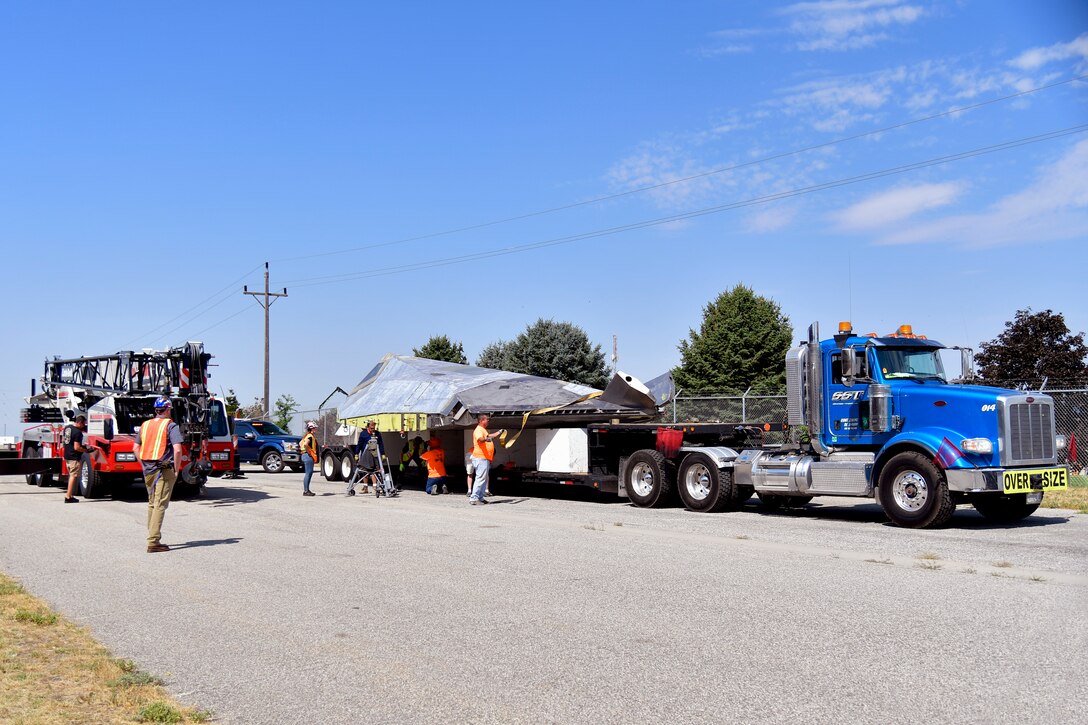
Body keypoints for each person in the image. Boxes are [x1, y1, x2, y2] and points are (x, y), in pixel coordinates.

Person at [133, 397, 184, 553]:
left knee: (152, 503)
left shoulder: (145, 425)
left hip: (148, 470)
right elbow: (177, 449)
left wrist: (143, 465)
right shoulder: (171, 425)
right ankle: (153, 541)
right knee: (160, 504)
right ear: (168, 410)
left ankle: (152, 533)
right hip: (163, 469)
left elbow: (135, 448)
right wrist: (176, 468)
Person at [468, 414, 503, 506]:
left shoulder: (483, 430)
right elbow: (481, 439)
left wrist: (499, 432)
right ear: (481, 421)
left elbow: (489, 435)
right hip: (481, 457)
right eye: (487, 419)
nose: (488, 421)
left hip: (484, 458)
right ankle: (474, 498)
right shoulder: (478, 430)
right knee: (480, 478)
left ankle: (480, 497)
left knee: (483, 478)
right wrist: (487, 439)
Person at [62, 414, 95, 503]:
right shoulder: (78, 433)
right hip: (74, 457)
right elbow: (77, 447)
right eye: (83, 424)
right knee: (73, 476)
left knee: (71, 475)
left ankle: (70, 495)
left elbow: (64, 440)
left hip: (67, 455)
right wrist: (86, 450)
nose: (84, 426)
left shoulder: (67, 428)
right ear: (80, 422)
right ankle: (68, 497)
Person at [352, 420, 384, 495]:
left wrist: (383, 454)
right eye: (371, 428)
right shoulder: (363, 434)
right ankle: (365, 487)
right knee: (365, 471)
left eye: (374, 427)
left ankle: (375, 487)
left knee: (375, 470)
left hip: (375, 455)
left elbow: (381, 444)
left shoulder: (377, 434)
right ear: (368, 427)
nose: (373, 429)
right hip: (365, 455)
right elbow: (359, 444)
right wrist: (356, 453)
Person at [300, 420, 319, 496]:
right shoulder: (310, 436)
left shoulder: (306, 435)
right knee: (308, 473)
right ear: (311, 429)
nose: (315, 430)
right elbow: (305, 444)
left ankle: (306, 490)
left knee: (308, 473)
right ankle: (306, 491)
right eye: (314, 428)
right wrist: (309, 452)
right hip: (308, 456)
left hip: (304, 455)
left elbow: (300, 443)